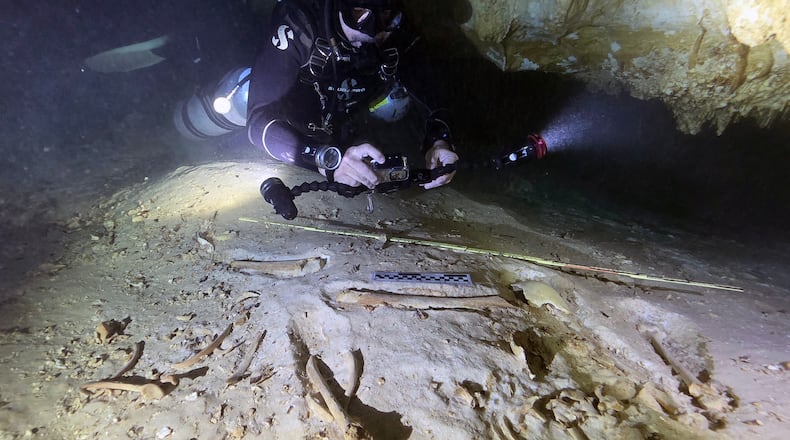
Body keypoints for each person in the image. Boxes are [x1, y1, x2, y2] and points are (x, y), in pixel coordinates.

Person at [245, 0, 459, 190]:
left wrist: (439, 140)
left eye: (384, 15)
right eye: (358, 12)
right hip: (292, 116)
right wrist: (327, 160)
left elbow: (434, 93)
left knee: (397, 104)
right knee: (237, 99)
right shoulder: (301, 22)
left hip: (351, 115)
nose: (372, 29)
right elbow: (257, 122)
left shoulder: (402, 32)